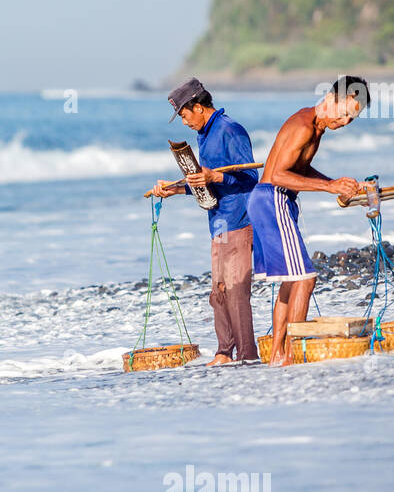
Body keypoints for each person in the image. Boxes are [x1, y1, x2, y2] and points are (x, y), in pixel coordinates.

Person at [249, 76, 368, 366]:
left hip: (269, 200)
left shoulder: (316, 126)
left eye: (351, 118)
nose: (344, 122)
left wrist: (335, 183)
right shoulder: (304, 126)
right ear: (329, 99)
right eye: (343, 113)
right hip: (272, 197)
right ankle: (292, 353)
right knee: (305, 278)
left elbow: (299, 168)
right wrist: (330, 187)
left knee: (291, 282)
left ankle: (277, 353)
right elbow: (277, 174)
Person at [151, 78, 259, 365]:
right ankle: (224, 353)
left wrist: (214, 176)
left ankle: (247, 357)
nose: (185, 122)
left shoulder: (229, 129)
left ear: (198, 107)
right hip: (218, 223)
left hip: (239, 219)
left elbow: (251, 178)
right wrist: (173, 189)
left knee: (236, 292)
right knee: (219, 293)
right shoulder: (204, 135)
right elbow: (204, 183)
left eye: (185, 116)